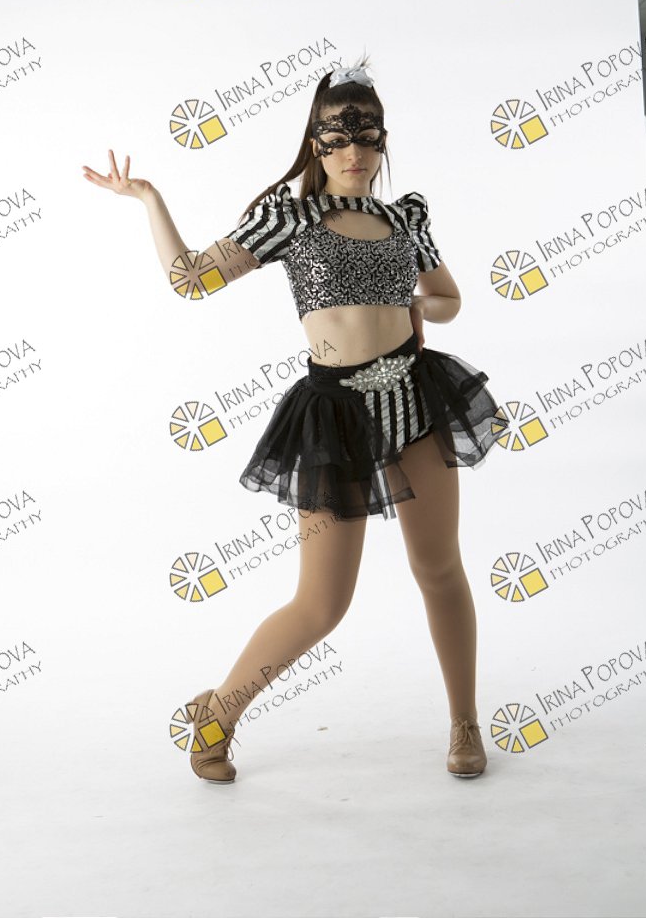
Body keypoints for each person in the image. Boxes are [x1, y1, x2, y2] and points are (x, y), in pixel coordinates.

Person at [81, 54, 500, 785]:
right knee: (322, 603)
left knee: (439, 567)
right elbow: (191, 280)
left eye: (367, 137)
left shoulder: (405, 217)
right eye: (338, 138)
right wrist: (148, 197)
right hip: (335, 416)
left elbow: (448, 298)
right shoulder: (291, 217)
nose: (354, 152)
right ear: (316, 145)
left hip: (416, 398)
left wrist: (416, 304)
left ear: (383, 141)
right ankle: (217, 712)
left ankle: (465, 721)